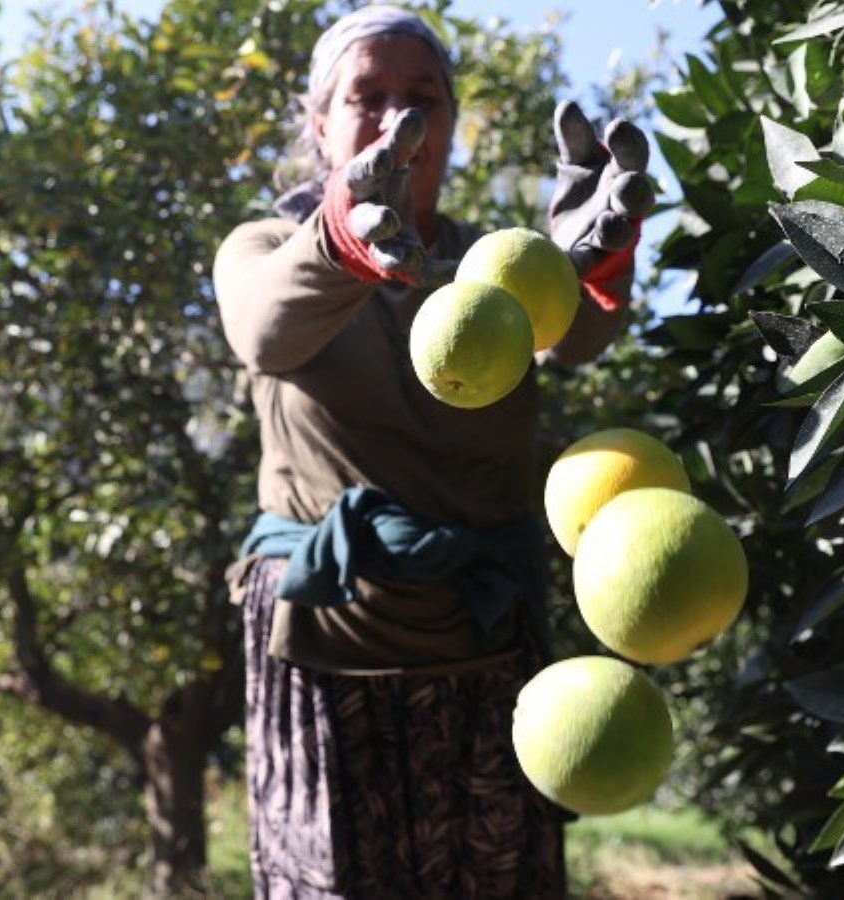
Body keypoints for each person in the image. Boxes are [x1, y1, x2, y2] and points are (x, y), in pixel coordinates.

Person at [213, 6, 653, 897]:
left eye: (421, 99)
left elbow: (571, 345)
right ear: (320, 121)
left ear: (451, 123)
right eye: (365, 96)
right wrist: (341, 240)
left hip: (486, 644)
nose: (392, 118)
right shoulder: (263, 245)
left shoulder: (488, 260)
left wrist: (583, 271)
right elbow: (262, 329)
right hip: (335, 639)